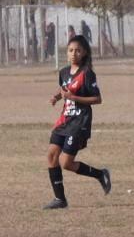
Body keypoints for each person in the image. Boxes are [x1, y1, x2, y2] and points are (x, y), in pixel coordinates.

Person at [43, 35, 111, 210]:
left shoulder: (87, 73)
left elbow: (97, 98)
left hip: (80, 121)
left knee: (66, 163)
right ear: (66, 53)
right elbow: (64, 88)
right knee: (51, 156)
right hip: (64, 119)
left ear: (84, 53)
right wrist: (57, 97)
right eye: (71, 50)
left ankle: (100, 174)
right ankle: (60, 199)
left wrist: (73, 97)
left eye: (78, 50)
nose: (74, 53)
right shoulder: (64, 72)